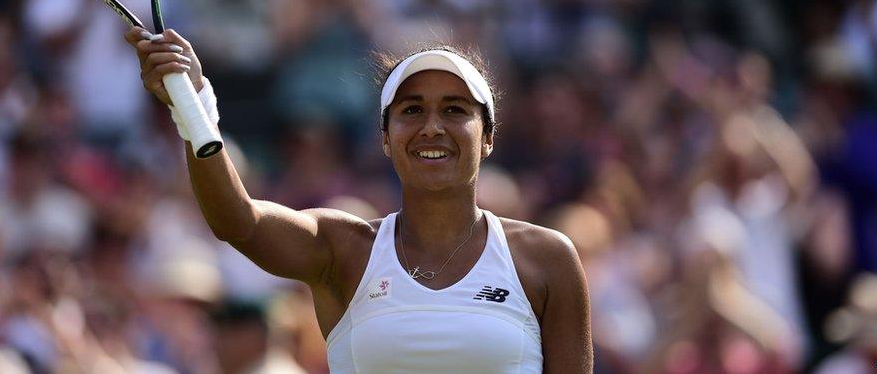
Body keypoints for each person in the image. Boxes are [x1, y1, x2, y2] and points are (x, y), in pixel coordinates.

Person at [125, 26, 593, 373]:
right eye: (412, 111)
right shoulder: (342, 248)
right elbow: (238, 221)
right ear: (386, 139)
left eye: (455, 109)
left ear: (487, 136)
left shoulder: (547, 258)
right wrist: (193, 107)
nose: (432, 126)